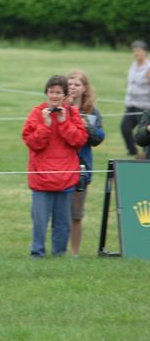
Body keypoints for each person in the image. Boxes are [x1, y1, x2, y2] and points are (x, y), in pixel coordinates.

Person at [22, 75, 88, 258]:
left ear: (65, 95)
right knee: (40, 221)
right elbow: (32, 142)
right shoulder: (37, 113)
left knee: (63, 223)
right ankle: (37, 253)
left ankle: (59, 254)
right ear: (46, 93)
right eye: (51, 92)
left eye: (58, 92)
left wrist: (63, 122)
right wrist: (46, 125)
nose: (54, 96)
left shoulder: (73, 114)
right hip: (41, 179)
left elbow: (79, 141)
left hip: (66, 178)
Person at [66, 70, 105, 257]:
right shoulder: (60, 107)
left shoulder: (92, 112)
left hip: (82, 168)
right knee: (59, 213)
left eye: (77, 84)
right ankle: (58, 249)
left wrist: (86, 125)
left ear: (85, 89)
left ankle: (74, 253)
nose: (73, 87)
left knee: (76, 214)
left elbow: (99, 138)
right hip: (60, 167)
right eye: (70, 84)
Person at [121, 40, 150, 158]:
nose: (136, 53)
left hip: (143, 106)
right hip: (131, 104)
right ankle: (132, 150)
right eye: (134, 50)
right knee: (125, 128)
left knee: (144, 131)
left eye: (139, 50)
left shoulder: (148, 67)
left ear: (145, 52)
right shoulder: (134, 65)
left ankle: (145, 153)